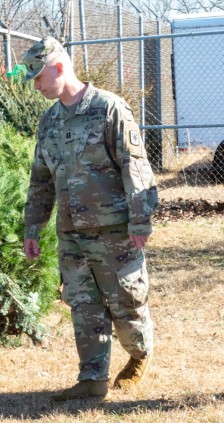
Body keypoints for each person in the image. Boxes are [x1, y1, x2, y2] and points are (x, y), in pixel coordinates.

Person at [21, 36, 158, 401]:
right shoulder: (49, 121)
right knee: (84, 307)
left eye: (38, 77)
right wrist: (33, 227)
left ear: (59, 67)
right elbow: (40, 180)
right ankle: (93, 377)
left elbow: (135, 167)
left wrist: (140, 221)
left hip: (114, 230)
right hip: (70, 232)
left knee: (125, 304)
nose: (35, 85)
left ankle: (140, 354)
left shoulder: (110, 108)